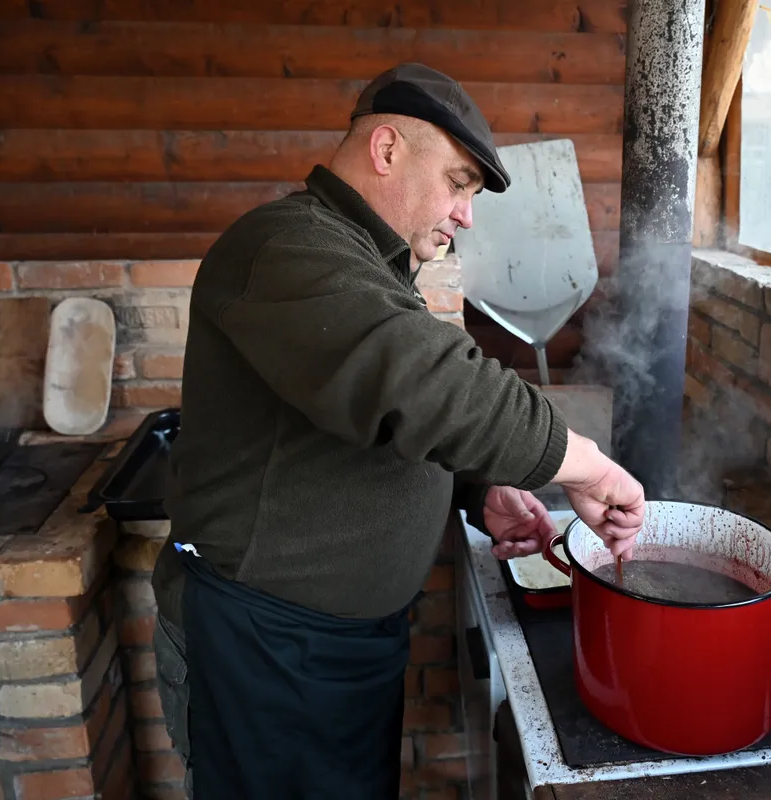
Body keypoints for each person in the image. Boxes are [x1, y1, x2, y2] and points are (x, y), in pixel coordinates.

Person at [150, 62, 646, 800]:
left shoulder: (365, 264)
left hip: (339, 643)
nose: (467, 215)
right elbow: (418, 380)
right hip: (267, 646)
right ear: (386, 150)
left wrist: (477, 493)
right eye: (458, 183)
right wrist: (584, 464)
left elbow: (368, 420)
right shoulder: (284, 247)